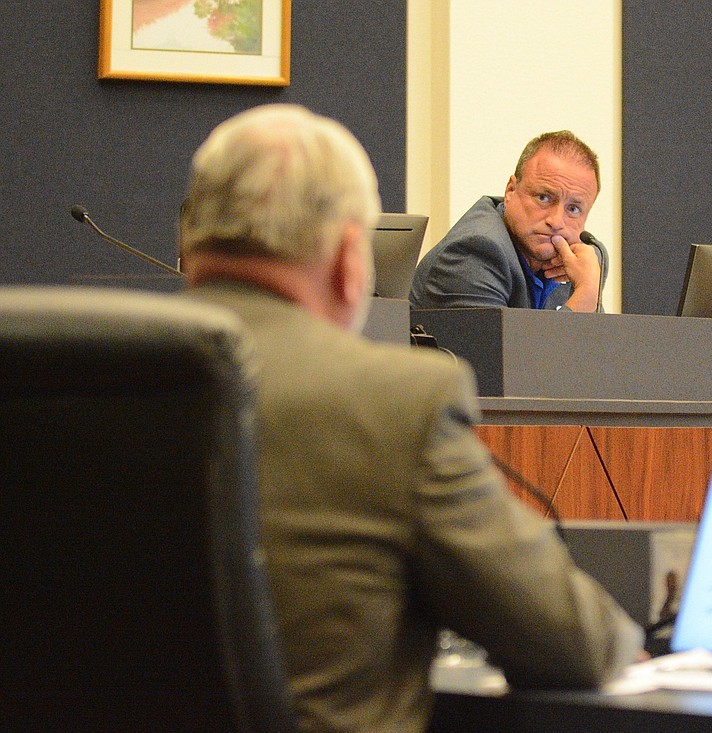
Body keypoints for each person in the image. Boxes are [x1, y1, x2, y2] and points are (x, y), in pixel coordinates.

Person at [178, 104, 642, 733]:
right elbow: (569, 642)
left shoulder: (68, 376)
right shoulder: (398, 403)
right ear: (349, 261)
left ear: (189, 241)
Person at [409, 130, 608, 312]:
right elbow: (503, 351)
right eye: (543, 198)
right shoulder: (475, 252)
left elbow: (601, 350)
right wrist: (587, 292)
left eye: (573, 209)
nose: (556, 221)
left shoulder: (579, 262)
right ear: (511, 190)